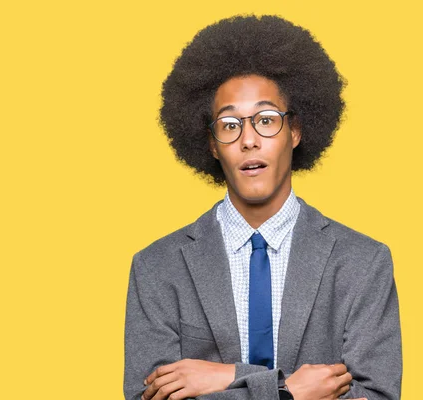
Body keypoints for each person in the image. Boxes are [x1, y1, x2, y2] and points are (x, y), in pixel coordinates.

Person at [123, 15, 402, 400]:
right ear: (211, 144)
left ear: (296, 131)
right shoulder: (157, 268)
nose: (249, 140)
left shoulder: (363, 263)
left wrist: (225, 378)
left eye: (266, 120)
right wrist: (288, 392)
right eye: (230, 124)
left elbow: (377, 396)